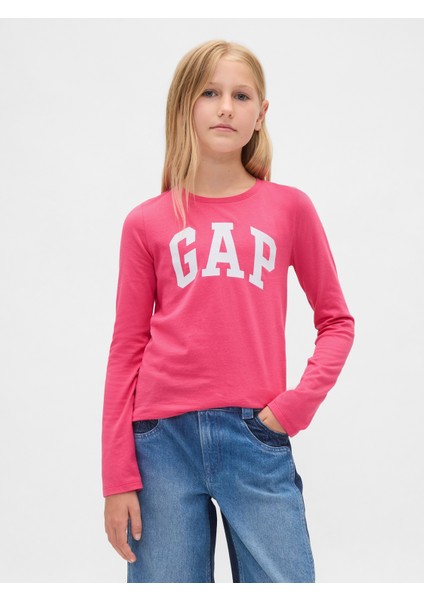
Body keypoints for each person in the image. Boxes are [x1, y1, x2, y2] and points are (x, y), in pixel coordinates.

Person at [101, 39, 355, 583]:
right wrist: (117, 476)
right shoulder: (146, 222)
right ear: (184, 106)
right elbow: (127, 349)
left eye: (241, 96)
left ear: (261, 114)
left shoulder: (289, 208)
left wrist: (293, 408)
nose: (225, 107)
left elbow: (337, 321)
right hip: (161, 443)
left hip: (256, 436)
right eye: (210, 93)